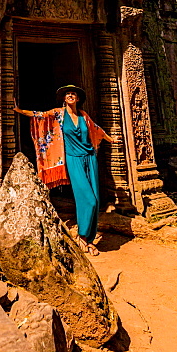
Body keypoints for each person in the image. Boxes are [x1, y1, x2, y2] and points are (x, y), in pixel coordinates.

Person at [14, 84, 113, 255]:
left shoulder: (83, 115)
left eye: (73, 94)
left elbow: (96, 130)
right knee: (87, 199)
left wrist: (112, 139)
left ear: (78, 98)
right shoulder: (59, 114)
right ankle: (81, 236)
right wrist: (19, 110)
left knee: (95, 200)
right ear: (63, 98)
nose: (70, 96)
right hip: (73, 160)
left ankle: (89, 240)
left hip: (90, 158)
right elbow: (40, 116)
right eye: (68, 94)